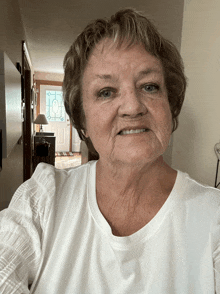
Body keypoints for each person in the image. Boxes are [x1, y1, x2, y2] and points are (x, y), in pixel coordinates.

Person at [1, 8, 220, 293]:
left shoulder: (213, 217)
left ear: (170, 105)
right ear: (83, 120)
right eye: (106, 91)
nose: (132, 107)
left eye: (150, 86)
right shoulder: (43, 197)